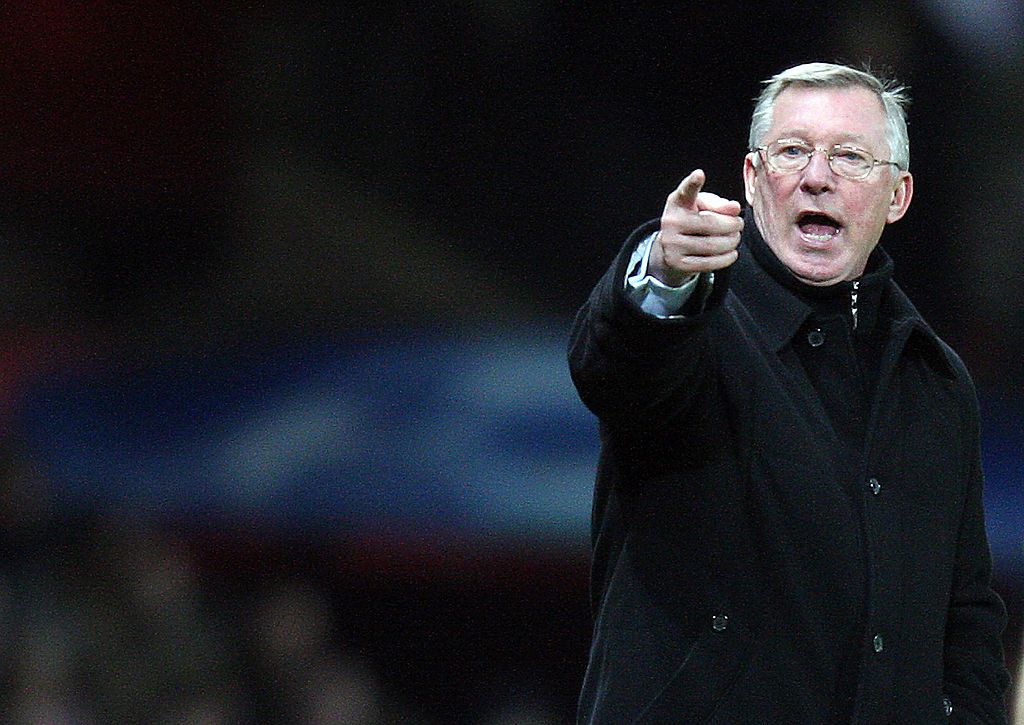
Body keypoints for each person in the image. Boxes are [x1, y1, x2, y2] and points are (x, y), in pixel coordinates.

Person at [568, 62, 1010, 723]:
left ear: (898, 194)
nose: (817, 175)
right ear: (752, 180)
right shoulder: (700, 326)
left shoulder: (937, 383)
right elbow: (615, 369)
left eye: (850, 156)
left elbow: (967, 622)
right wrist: (661, 272)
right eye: (794, 150)